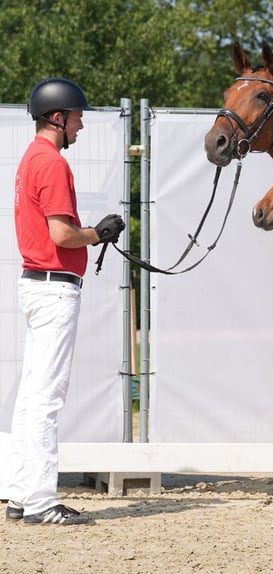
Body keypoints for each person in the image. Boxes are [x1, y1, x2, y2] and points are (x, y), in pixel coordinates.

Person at [5, 78, 125, 525]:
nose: (81, 126)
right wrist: (100, 233)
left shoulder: (30, 159)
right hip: (55, 288)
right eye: (77, 117)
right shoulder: (52, 163)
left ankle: (21, 494)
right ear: (58, 118)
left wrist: (90, 235)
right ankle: (39, 502)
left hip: (37, 283)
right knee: (47, 397)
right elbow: (62, 234)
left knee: (31, 395)